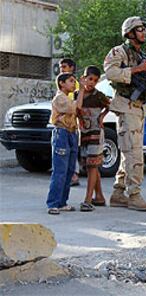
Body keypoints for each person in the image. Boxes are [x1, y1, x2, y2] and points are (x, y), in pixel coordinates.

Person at [104, 16, 146, 211]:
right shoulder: (119, 52)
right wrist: (136, 69)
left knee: (129, 153)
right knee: (134, 154)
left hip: (138, 107)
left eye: (144, 29)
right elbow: (110, 73)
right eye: (140, 29)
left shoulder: (142, 55)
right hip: (126, 106)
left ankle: (118, 193)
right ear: (130, 32)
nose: (144, 32)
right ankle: (134, 195)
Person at [46, 73, 85, 215]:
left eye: (74, 81)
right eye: (71, 81)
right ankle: (53, 203)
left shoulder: (68, 97)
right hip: (62, 133)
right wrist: (81, 90)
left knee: (69, 170)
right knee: (60, 170)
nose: (73, 84)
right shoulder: (60, 98)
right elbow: (77, 107)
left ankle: (62, 202)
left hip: (72, 133)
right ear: (62, 83)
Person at [76, 66, 111, 211]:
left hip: (96, 132)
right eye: (89, 79)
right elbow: (76, 109)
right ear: (83, 78)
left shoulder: (99, 95)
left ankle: (88, 199)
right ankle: (100, 197)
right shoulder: (77, 94)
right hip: (84, 133)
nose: (92, 83)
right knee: (91, 165)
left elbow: (109, 106)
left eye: (95, 80)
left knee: (92, 165)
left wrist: (102, 116)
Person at [59, 58, 81, 186]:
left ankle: (73, 175)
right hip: (64, 124)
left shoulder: (74, 85)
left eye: (65, 66)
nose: (62, 69)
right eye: (61, 67)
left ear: (72, 68)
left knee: (72, 150)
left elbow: (75, 105)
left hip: (72, 123)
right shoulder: (62, 83)